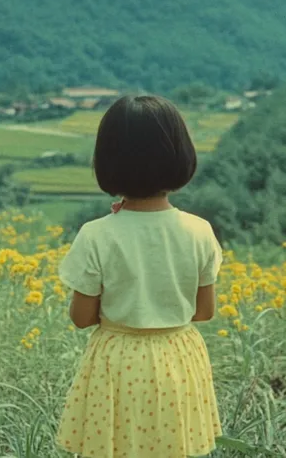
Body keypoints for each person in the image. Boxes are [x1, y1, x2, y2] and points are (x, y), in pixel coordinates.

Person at [55, 95, 224, 458]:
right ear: (181, 157)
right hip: (179, 359)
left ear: (107, 161)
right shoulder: (199, 231)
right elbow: (204, 311)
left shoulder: (96, 235)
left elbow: (81, 318)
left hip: (117, 364)